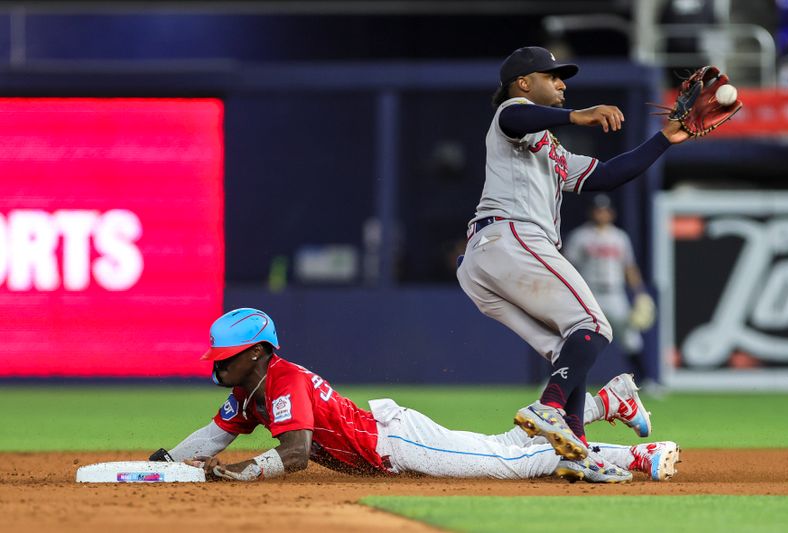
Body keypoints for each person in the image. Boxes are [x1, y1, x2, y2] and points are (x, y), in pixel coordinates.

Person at [455, 46, 690, 471]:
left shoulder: (550, 147)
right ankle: (549, 408)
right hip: (511, 235)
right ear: (524, 83)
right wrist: (579, 114)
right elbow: (514, 117)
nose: (562, 84)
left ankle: (576, 448)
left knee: (568, 347)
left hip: (484, 262)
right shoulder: (514, 113)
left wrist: (663, 140)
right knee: (596, 326)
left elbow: (606, 175)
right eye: (553, 76)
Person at [149, 308, 680, 483]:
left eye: (228, 356)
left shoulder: (282, 379)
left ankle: (610, 419)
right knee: (506, 447)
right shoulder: (250, 388)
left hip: (396, 443)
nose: (217, 364)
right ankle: (615, 414)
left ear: (259, 352)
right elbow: (216, 433)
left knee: (511, 463)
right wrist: (171, 460)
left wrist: (241, 475)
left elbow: (294, 454)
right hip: (384, 441)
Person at [563, 194, 658, 388]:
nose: (601, 213)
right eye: (598, 209)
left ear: (611, 213)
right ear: (592, 212)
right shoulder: (580, 236)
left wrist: (640, 292)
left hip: (615, 293)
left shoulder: (619, 237)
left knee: (630, 338)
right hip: (590, 293)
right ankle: (559, 378)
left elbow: (629, 267)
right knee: (576, 337)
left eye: (605, 210)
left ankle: (646, 381)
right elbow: (568, 266)